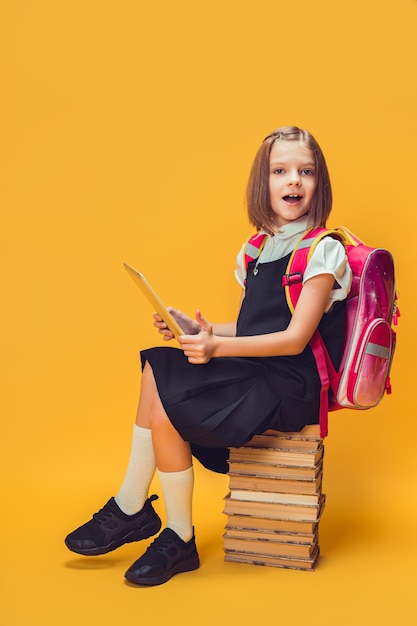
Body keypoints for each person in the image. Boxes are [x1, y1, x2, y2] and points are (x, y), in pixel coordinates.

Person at [65, 125, 352, 586]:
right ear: (264, 182)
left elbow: (295, 338)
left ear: (320, 184)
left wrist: (217, 347)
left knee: (165, 380)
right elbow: (258, 325)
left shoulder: (322, 251)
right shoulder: (257, 248)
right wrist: (202, 330)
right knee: (160, 366)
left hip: (290, 382)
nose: (293, 181)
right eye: (280, 170)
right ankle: (152, 520)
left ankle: (146, 515)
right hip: (257, 367)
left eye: (306, 171)